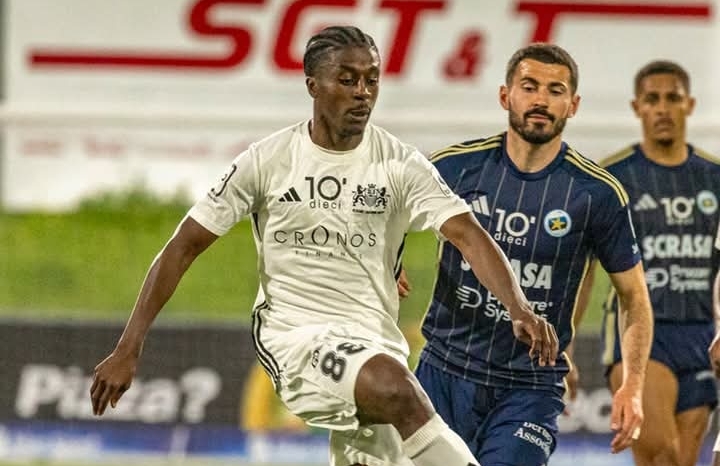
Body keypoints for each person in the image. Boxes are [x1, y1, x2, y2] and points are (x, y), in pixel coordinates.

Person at [88, 26, 559, 466]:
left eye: (372, 80)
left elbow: (467, 233)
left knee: (386, 424)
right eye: (347, 79)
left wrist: (517, 306)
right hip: (296, 337)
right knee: (399, 391)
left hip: (375, 339)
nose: (363, 92)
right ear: (313, 85)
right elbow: (183, 246)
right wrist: (129, 347)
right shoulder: (268, 160)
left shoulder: (400, 164)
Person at [411, 43, 654, 466]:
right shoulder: (454, 168)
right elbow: (388, 218)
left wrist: (632, 386)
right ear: (505, 95)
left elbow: (633, 296)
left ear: (573, 105)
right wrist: (393, 261)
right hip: (443, 372)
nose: (541, 100)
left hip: (530, 387)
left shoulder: (597, 194)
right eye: (530, 87)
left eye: (555, 91)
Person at [584, 60, 720, 466]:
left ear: (689, 104)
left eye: (672, 98)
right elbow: (581, 269)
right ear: (637, 107)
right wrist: (565, 341)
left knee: (685, 460)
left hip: (703, 334)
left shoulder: (714, 177)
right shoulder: (612, 178)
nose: (663, 108)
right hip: (641, 332)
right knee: (663, 457)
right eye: (652, 99)